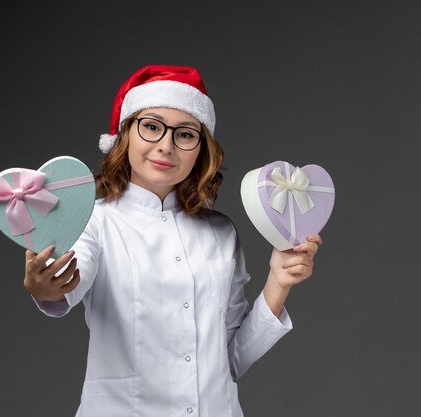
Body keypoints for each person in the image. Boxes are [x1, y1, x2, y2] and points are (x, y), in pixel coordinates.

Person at [22, 64, 323, 417]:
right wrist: (48, 286)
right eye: (151, 127)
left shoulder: (221, 232)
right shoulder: (94, 220)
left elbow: (230, 360)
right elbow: (71, 278)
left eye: (184, 134)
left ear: (201, 149)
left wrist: (278, 281)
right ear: (125, 136)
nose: (166, 146)